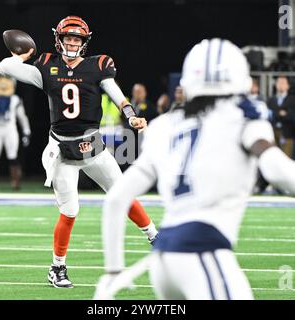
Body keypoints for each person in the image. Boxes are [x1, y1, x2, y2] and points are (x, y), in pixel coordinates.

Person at [95, 39, 295, 300]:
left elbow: (116, 199)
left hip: (163, 260)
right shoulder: (245, 119)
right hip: (202, 251)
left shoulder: (165, 125)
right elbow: (277, 170)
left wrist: (112, 271)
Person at [0, 15, 158, 288]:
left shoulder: (98, 65)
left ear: (84, 42)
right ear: (59, 40)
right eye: (68, 38)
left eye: (77, 39)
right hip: (63, 149)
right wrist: (23, 55)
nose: (72, 43)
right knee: (70, 211)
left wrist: (131, 116)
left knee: (122, 192)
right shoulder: (46, 66)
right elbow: (4, 67)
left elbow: (115, 92)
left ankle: (156, 237)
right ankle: (56, 268)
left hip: (93, 146)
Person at [0, 66, 31, 190]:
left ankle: (15, 181)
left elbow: (22, 117)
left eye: (6, 79)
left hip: (10, 130)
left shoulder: (15, 100)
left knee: (12, 155)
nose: (3, 83)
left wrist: (26, 131)